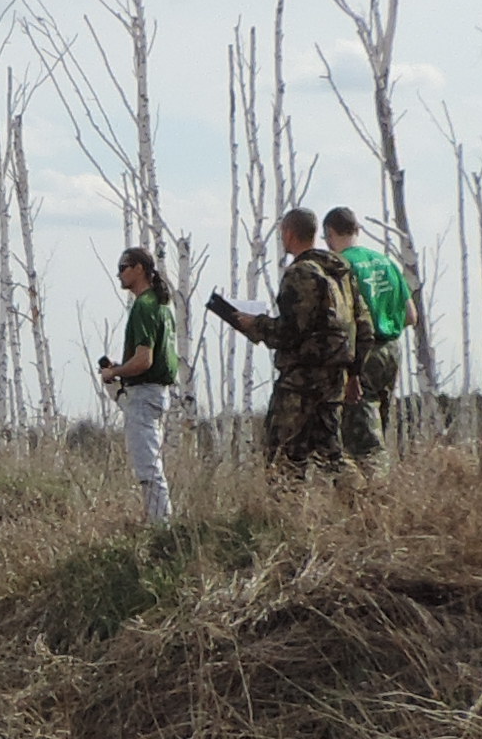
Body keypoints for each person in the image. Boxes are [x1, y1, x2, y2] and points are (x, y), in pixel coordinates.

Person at [206, 209, 363, 479]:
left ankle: (286, 503)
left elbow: (289, 332)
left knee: (282, 454)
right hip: (335, 376)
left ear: (288, 234)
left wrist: (255, 323)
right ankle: (363, 497)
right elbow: (363, 326)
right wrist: (354, 372)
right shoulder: (340, 273)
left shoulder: (300, 273)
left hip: (301, 381)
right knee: (329, 449)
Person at [322, 206, 415, 472]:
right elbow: (411, 316)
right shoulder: (386, 262)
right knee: (379, 425)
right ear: (357, 229)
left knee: (363, 440)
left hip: (362, 355)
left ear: (330, 233)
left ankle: (374, 491)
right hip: (391, 352)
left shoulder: (340, 266)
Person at [97, 245, 184, 525]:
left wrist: (114, 372)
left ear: (139, 269)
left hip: (144, 394)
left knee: (148, 468)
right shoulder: (161, 305)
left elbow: (144, 360)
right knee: (150, 464)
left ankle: (162, 528)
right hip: (156, 393)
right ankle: (158, 522)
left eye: (123, 267)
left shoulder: (143, 306)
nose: (119, 274)